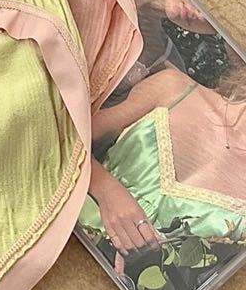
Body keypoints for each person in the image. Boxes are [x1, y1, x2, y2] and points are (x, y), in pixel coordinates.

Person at [80, 60, 246, 258]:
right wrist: (106, 189)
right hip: (61, 231)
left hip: (110, 277)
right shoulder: (173, 88)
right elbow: (67, 140)